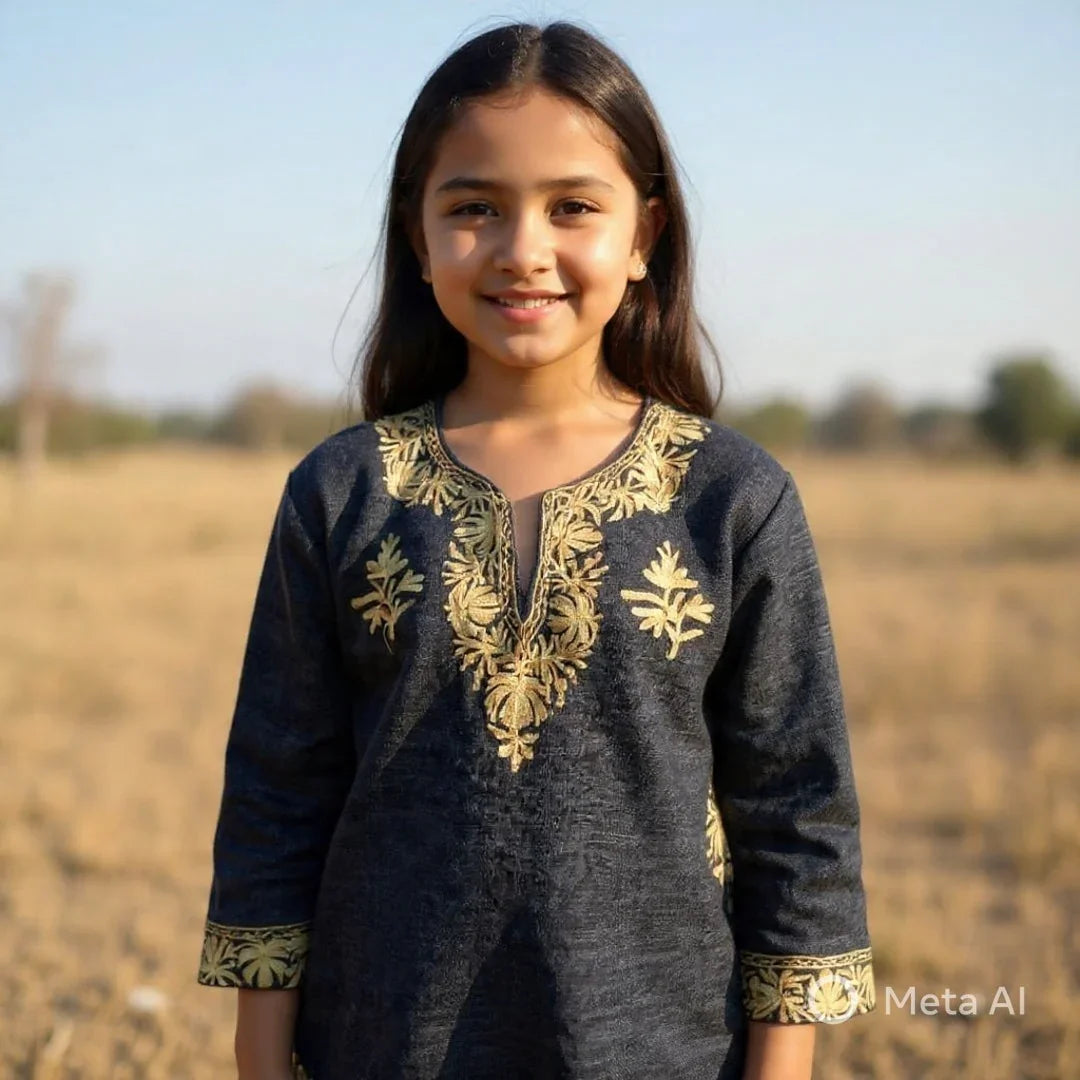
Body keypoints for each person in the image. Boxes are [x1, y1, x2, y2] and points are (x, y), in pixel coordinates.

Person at [195, 20, 875, 1080]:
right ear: (418, 238)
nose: (521, 250)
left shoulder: (733, 499)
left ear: (645, 232)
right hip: (380, 1045)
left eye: (572, 207)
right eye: (473, 208)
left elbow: (797, 812)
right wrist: (260, 1060)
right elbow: (278, 795)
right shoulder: (342, 491)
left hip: (659, 1048)